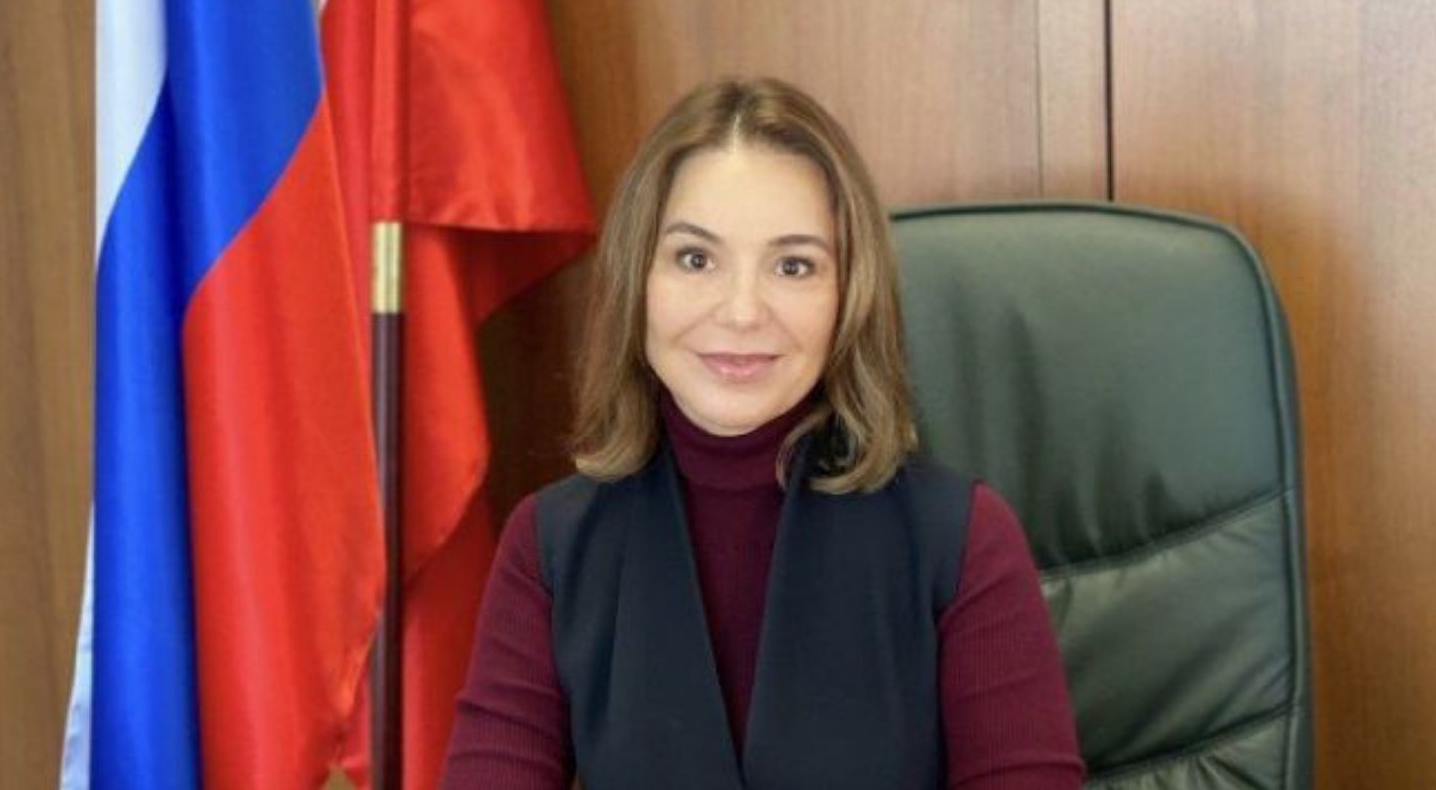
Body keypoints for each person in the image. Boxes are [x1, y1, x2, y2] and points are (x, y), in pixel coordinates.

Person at [439, 78, 1084, 789]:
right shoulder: (551, 549)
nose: (742, 311)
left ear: (848, 296)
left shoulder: (962, 542)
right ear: (637, 279)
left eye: (793, 265)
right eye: (696, 259)